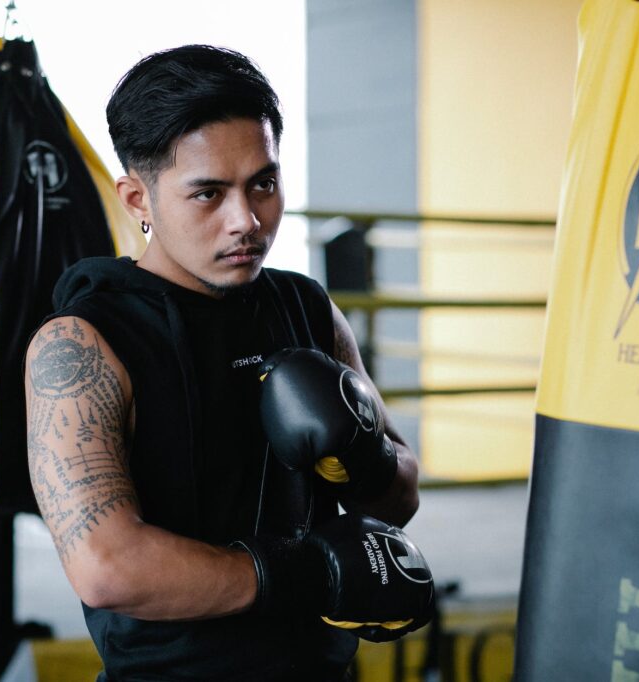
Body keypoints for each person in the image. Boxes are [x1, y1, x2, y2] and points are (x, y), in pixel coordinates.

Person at [23, 45, 429, 681]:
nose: (247, 221)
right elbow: (107, 566)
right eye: (208, 194)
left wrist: (360, 452)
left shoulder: (306, 308)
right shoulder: (82, 344)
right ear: (137, 200)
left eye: (263, 184)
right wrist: (307, 574)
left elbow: (400, 493)